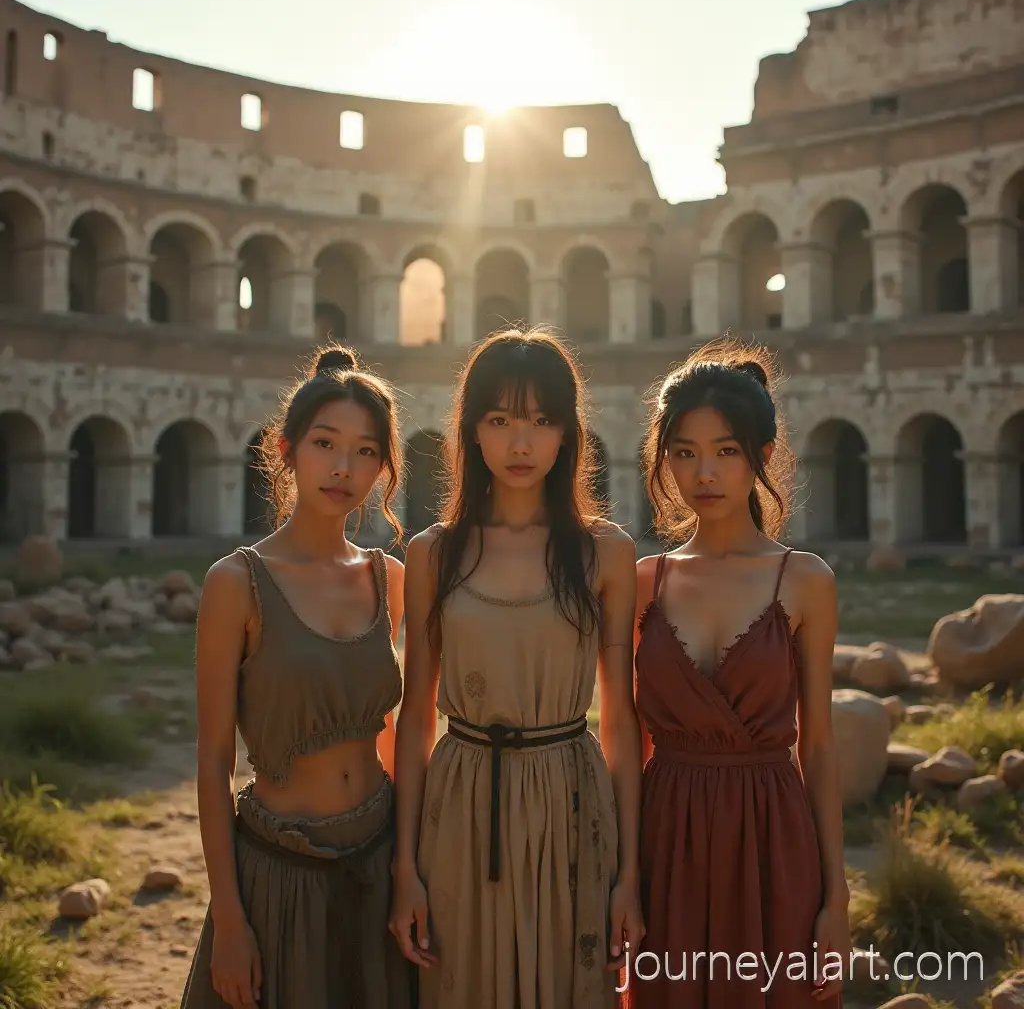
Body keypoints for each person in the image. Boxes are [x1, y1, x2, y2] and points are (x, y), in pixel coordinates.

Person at [389, 327, 645, 1009]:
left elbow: (621, 717)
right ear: (471, 432)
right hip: (463, 798)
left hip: (571, 798)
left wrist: (631, 874)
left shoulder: (606, 554)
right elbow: (415, 716)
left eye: (541, 420)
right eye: (500, 420)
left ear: (568, 434)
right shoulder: (432, 553)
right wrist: (404, 869)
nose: (521, 443)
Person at [179, 345, 416, 1009]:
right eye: (325, 443)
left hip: (376, 857)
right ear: (286, 448)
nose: (344, 467)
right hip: (278, 873)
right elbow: (213, 759)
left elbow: (397, 732)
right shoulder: (237, 583)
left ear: (383, 468)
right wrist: (228, 917)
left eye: (367, 451)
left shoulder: (390, 580)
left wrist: (407, 867)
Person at [626, 338, 850, 1008]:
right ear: (663, 459)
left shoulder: (804, 579)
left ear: (761, 455)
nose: (705, 474)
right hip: (669, 838)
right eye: (683, 452)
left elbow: (819, 745)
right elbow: (629, 746)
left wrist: (835, 894)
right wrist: (626, 879)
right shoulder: (643, 582)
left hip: (773, 840)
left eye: (726, 451)